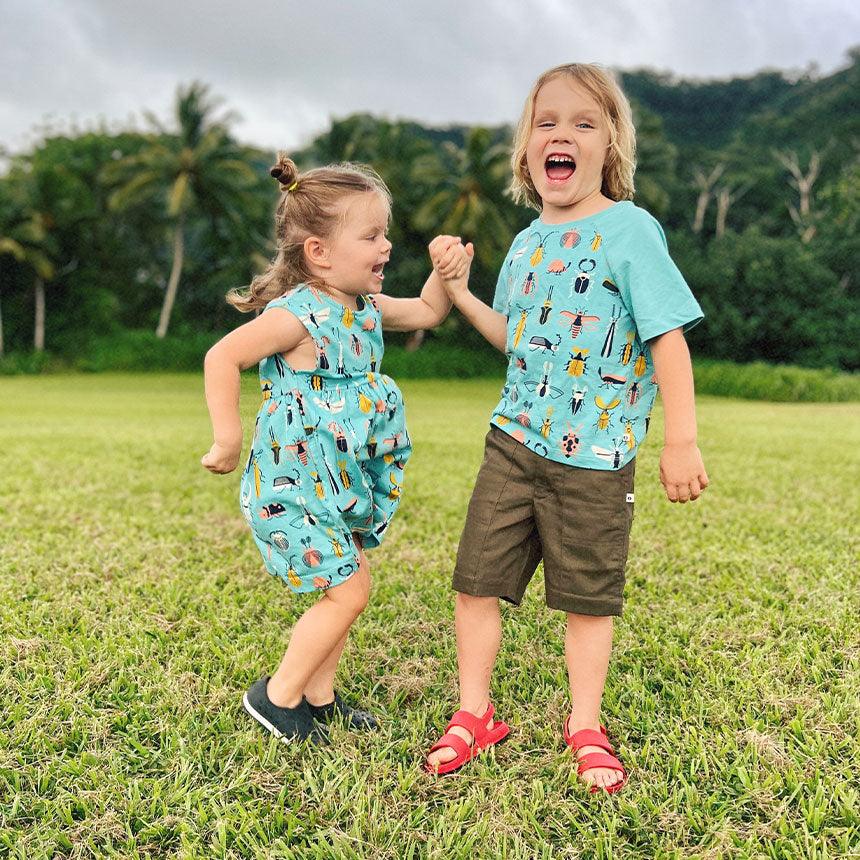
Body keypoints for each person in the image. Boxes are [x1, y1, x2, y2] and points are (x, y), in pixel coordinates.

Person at [425, 63, 709, 792]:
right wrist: (457, 292)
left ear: (610, 144)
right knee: (475, 583)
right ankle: (474, 713)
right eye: (547, 122)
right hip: (513, 442)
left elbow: (667, 335)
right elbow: (515, 337)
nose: (563, 134)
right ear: (527, 148)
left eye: (584, 123)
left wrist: (681, 438)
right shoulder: (523, 243)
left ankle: (585, 723)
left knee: (587, 600)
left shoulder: (629, 229)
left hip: (598, 455)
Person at [202, 154, 470, 742]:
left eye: (386, 234)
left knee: (346, 582)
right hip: (293, 485)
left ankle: (319, 698)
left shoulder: (366, 309)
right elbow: (223, 356)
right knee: (350, 589)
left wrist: (446, 272)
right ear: (319, 252)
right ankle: (276, 696)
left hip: (337, 479)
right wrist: (228, 436)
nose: (386, 246)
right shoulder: (298, 316)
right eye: (371, 235)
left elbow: (429, 310)